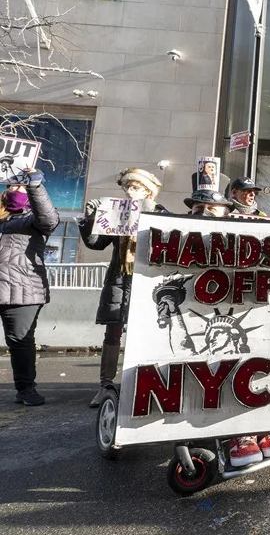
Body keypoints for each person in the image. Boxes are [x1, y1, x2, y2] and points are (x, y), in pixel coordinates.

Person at [182, 189, 270, 465]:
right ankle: (238, 433)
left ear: (227, 212)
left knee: (264, 362)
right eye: (198, 209)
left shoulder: (247, 237)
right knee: (220, 367)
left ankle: (265, 424)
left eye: (211, 209)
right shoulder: (183, 238)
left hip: (246, 315)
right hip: (202, 320)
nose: (204, 214)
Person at [81, 168, 165, 407]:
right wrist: (90, 219)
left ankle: (144, 382)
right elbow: (96, 243)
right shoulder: (116, 211)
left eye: (136, 187)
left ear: (148, 191)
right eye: (128, 187)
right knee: (113, 332)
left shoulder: (160, 213)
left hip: (145, 278)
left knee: (147, 331)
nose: (130, 191)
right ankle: (105, 384)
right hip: (119, 277)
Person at [0, 169, 59, 406]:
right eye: (12, 187)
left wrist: (34, 185)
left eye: (21, 187)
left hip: (21, 289)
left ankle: (26, 389)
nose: (16, 190)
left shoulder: (33, 220)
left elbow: (48, 218)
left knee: (20, 341)